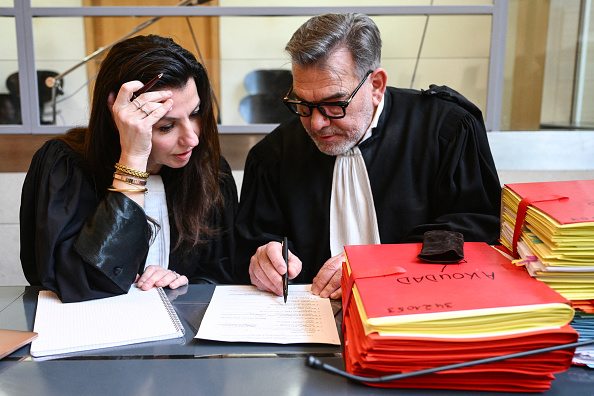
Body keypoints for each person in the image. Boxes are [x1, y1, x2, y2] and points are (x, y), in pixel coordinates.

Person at [235, 13, 502, 300]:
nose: (316, 123)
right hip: (312, 326)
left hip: (425, 313)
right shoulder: (273, 155)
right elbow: (253, 245)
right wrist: (263, 261)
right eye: (303, 104)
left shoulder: (446, 130)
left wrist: (381, 262)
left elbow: (480, 231)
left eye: (334, 104)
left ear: (376, 86)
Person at [20, 35, 238, 303]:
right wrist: (133, 158)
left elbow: (222, 272)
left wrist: (182, 284)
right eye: (165, 126)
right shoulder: (64, 166)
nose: (192, 138)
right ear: (118, 117)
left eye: (195, 113)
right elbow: (78, 283)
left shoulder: (210, 172)